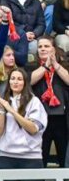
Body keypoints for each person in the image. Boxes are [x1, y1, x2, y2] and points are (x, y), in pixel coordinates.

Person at [0, 67, 48, 181]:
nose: (15, 82)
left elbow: (33, 129)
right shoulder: (2, 103)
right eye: (12, 78)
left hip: (31, 159)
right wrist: (3, 110)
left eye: (19, 79)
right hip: (7, 158)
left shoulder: (34, 102)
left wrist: (12, 110)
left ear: (25, 82)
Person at [29, 37, 69, 166]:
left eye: (46, 46)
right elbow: (29, 81)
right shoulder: (32, 66)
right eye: (40, 46)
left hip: (62, 118)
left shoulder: (64, 65)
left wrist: (56, 66)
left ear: (54, 48)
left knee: (64, 157)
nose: (42, 49)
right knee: (41, 157)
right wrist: (46, 66)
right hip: (40, 119)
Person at [1, 0, 46, 64]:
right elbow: (6, 23)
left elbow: (41, 24)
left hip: (32, 38)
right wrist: (22, 35)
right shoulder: (6, 1)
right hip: (13, 38)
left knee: (36, 46)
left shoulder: (36, 2)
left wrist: (34, 34)